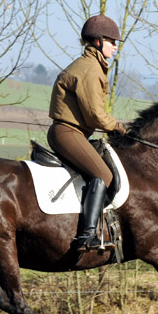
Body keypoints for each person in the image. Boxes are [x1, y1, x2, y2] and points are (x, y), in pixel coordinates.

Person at [47, 14, 126, 253]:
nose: (115, 46)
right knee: (103, 174)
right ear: (98, 41)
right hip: (68, 132)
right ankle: (87, 235)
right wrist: (120, 127)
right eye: (112, 41)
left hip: (75, 132)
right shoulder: (90, 69)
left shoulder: (93, 66)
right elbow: (95, 115)